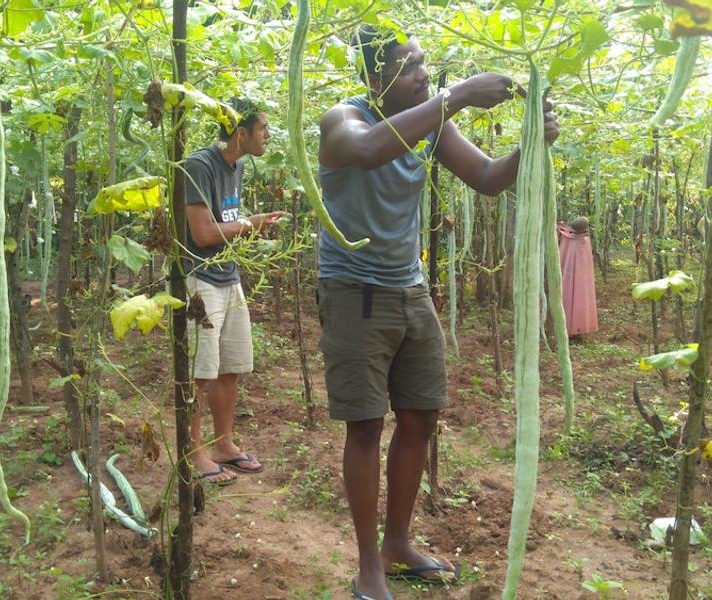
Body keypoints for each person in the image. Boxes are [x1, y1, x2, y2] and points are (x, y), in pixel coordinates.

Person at [316, 27, 560, 599]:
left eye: (425, 64)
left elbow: (487, 179)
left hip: (410, 288)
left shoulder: (432, 125)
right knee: (366, 425)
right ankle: (368, 564)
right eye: (410, 67)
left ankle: (398, 544)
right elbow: (369, 149)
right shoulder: (341, 121)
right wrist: (457, 95)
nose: (424, 74)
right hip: (355, 291)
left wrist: (531, 144)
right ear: (375, 79)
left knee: (421, 417)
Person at [184, 98, 284, 484]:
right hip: (199, 278)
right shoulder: (199, 165)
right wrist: (251, 223)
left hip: (228, 276)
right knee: (199, 371)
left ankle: (223, 444)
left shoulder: (237, 165)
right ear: (240, 133)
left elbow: (227, 223)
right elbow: (203, 233)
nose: (268, 135)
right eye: (262, 129)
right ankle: (194, 450)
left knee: (230, 367)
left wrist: (250, 225)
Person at [557, 217, 599, 337]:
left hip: (569, 277)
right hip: (579, 278)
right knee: (577, 299)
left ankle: (572, 328)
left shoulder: (568, 239)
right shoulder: (584, 241)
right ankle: (575, 328)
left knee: (569, 298)